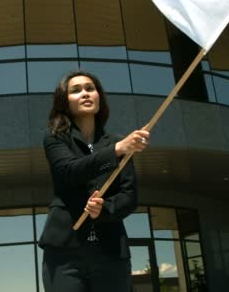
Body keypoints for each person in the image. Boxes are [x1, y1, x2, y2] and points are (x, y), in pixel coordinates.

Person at [39, 70, 150, 292]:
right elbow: (69, 171)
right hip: (64, 253)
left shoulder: (119, 142)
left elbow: (129, 197)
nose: (85, 93)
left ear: (99, 97)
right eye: (76, 90)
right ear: (64, 101)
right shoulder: (55, 138)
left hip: (110, 254)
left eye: (90, 88)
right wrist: (117, 151)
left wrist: (104, 209)